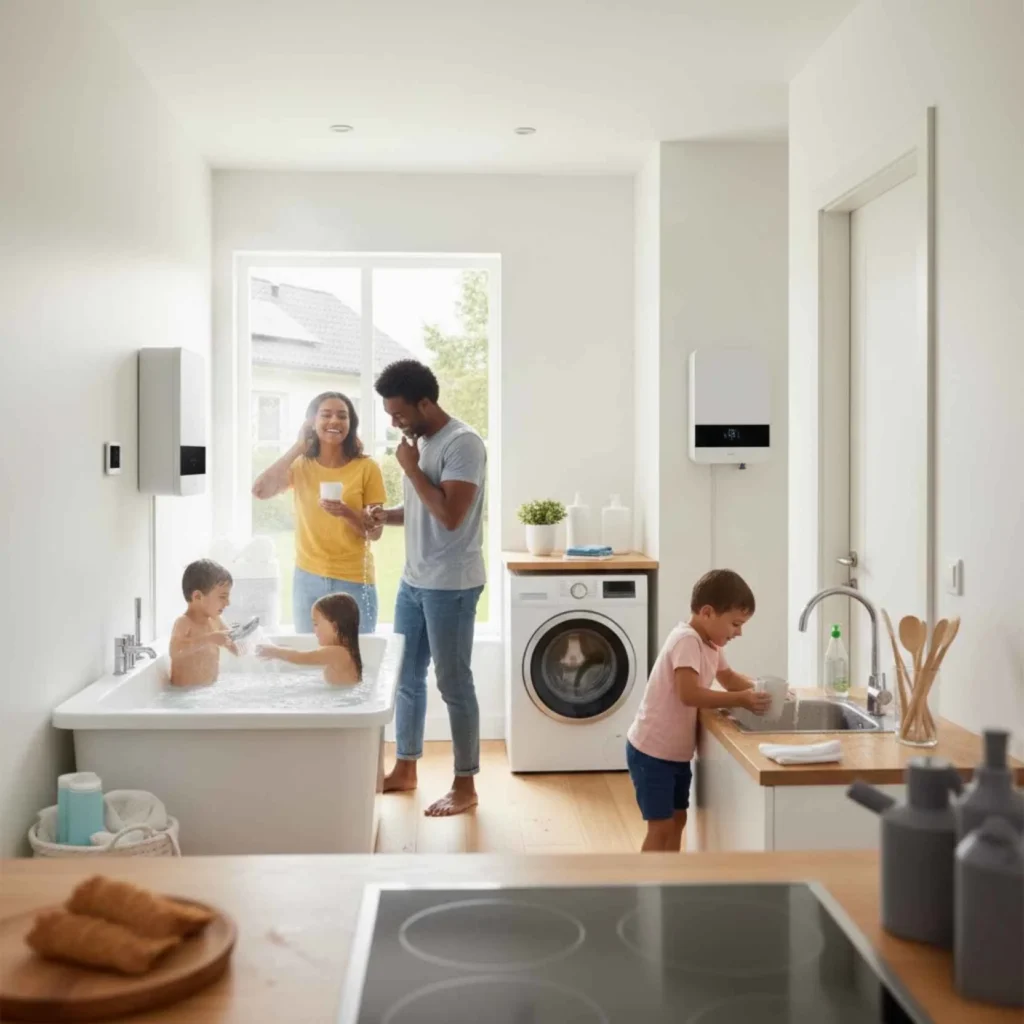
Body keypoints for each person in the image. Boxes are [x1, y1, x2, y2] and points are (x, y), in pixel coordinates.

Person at [367, 359, 486, 817]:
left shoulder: (463, 443)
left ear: (425, 402)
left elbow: (451, 515)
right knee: (406, 678)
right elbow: (424, 506)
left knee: (454, 683)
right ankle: (406, 768)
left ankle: (465, 784)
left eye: (399, 414)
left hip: (450, 586)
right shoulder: (422, 443)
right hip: (414, 581)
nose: (395, 422)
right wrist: (386, 515)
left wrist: (411, 469)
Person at [626, 569, 772, 852]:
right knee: (660, 826)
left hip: (675, 753)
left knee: (678, 819)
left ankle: (669, 880)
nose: (739, 632)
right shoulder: (687, 641)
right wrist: (741, 699)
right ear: (707, 613)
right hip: (652, 752)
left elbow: (729, 678)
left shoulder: (710, 643)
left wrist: (760, 688)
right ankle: (644, 887)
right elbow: (688, 693)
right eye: (735, 624)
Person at [252, 392, 386, 634]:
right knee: (310, 661)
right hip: (308, 579)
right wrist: (298, 447)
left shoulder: (367, 468)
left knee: (359, 660)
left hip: (355, 580)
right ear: (312, 423)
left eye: (342, 416)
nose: (334, 421)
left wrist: (346, 512)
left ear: (350, 424)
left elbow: (374, 533)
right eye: (326, 414)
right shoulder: (301, 465)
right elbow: (260, 490)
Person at [256, 593, 362, 686]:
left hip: (342, 705)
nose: (313, 629)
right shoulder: (343, 652)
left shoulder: (338, 653)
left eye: (316, 624)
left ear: (334, 627)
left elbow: (300, 657)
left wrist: (275, 651)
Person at [169, 559, 238, 687]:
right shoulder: (184, 623)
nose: (228, 603)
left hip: (208, 693)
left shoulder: (216, 620)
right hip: (184, 696)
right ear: (197, 597)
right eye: (222, 597)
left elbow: (235, 645)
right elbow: (175, 652)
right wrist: (209, 639)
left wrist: (241, 639)